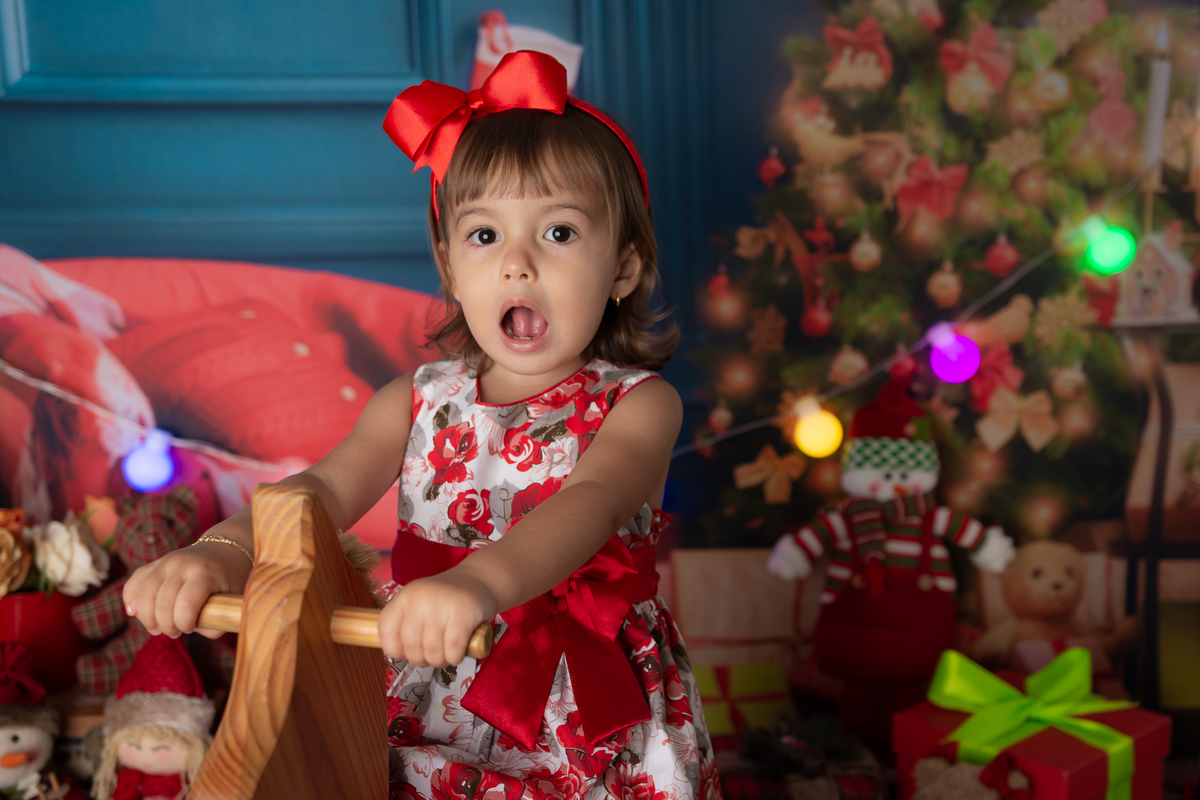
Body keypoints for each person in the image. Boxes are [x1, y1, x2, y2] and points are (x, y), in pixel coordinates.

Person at [123, 51, 717, 800]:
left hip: (582, 700)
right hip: (431, 671)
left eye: (559, 233)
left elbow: (589, 501)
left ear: (624, 268)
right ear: (448, 264)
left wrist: (480, 582)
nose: (518, 264)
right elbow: (317, 493)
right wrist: (223, 552)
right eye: (484, 236)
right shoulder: (416, 398)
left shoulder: (638, 403)